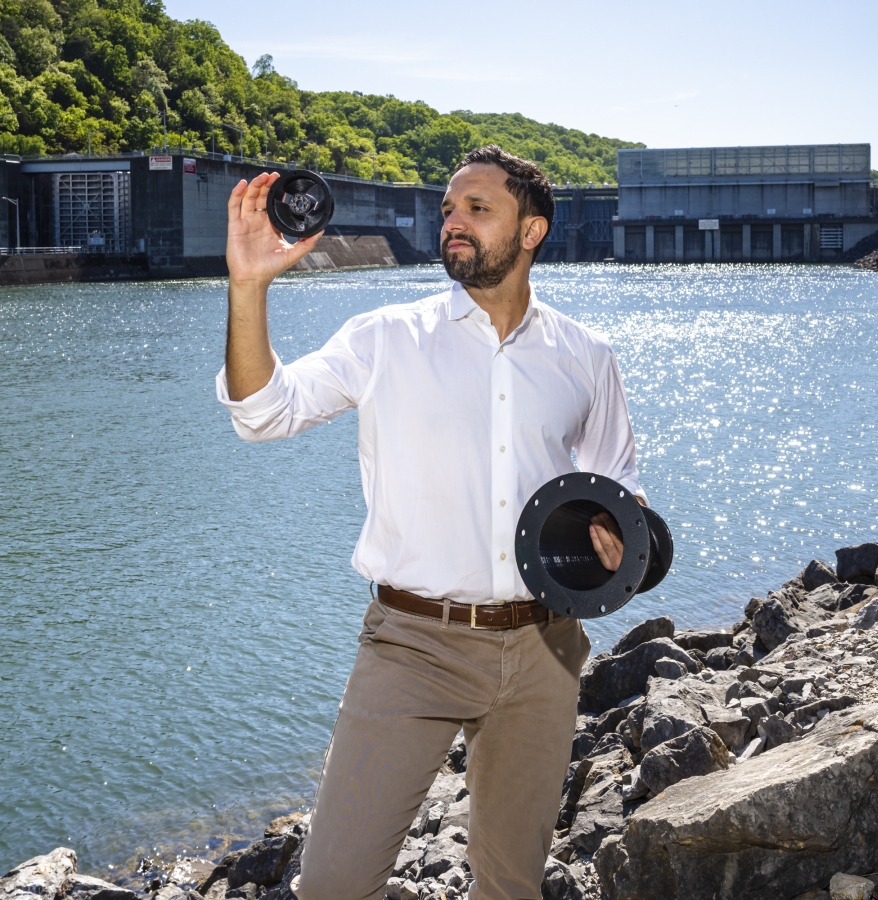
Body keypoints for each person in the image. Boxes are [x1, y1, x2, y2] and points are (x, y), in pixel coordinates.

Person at [216, 144, 646, 900]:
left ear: (532, 231)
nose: (454, 223)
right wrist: (248, 288)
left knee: (512, 885)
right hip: (412, 645)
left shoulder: (587, 355)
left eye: (477, 209)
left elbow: (619, 493)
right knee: (334, 887)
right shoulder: (385, 336)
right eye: (449, 209)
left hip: (546, 646)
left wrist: (617, 541)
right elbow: (262, 413)